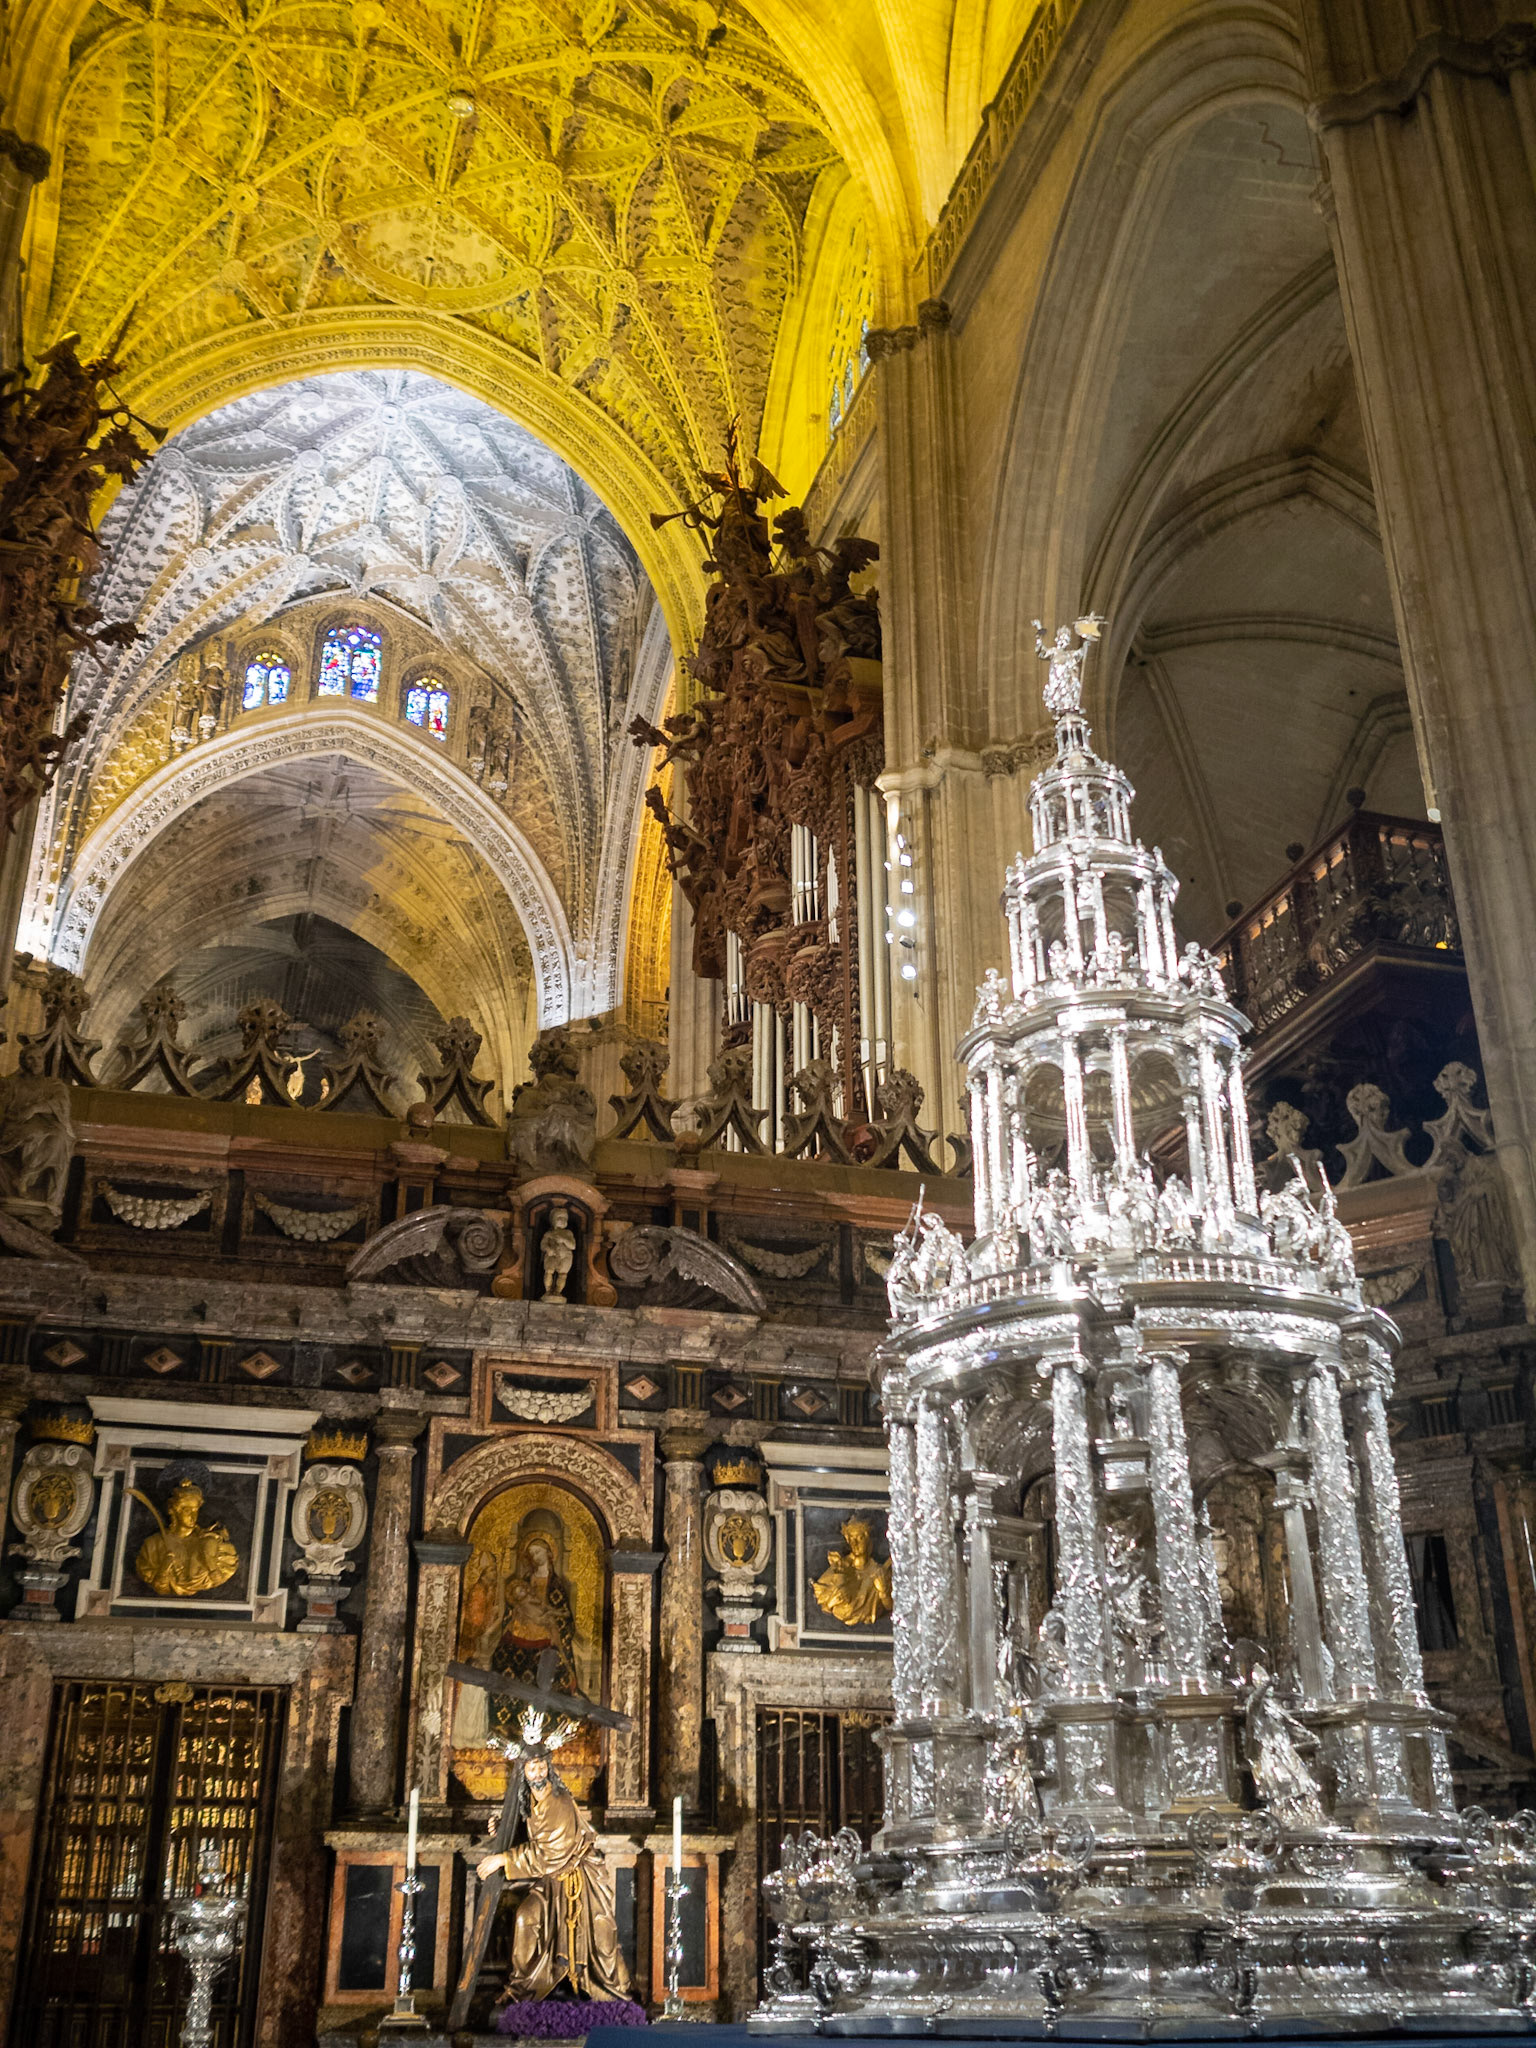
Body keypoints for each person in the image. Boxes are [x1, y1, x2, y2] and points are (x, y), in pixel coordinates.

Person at [475, 1748, 634, 2005]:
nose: (537, 1773)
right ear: (522, 1772)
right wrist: (504, 1829)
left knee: (599, 1941)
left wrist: (502, 1859)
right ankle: (522, 1989)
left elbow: (551, 1851)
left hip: (578, 1882)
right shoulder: (530, 1802)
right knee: (525, 1919)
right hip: (550, 1881)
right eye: (531, 1768)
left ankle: (592, 1993)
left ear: (549, 1768)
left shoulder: (558, 1801)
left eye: (541, 1766)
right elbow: (534, 1839)